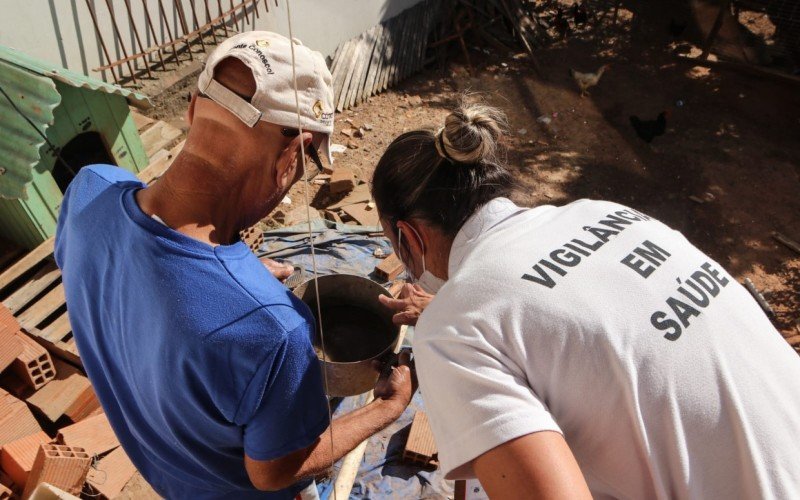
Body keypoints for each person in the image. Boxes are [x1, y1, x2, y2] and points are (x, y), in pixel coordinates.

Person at [374, 102, 800, 499]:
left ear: (410, 236)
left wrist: (451, 326)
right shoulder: (604, 213)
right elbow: (610, 325)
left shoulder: (453, 330)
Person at [54, 31, 414, 499]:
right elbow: (274, 472)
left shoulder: (90, 189)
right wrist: (386, 408)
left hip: (162, 472)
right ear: (293, 152)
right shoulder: (274, 330)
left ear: (191, 106)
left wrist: (231, 284)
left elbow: (139, 279)